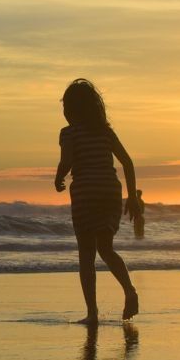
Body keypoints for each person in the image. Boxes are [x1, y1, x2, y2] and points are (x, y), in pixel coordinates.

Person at [55, 79, 141, 323]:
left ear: (71, 110)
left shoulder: (69, 132)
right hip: (109, 192)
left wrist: (59, 177)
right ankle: (129, 290)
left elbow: (67, 161)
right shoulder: (105, 131)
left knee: (86, 254)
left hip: (85, 192)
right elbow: (128, 162)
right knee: (106, 248)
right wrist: (132, 197)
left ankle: (92, 314)